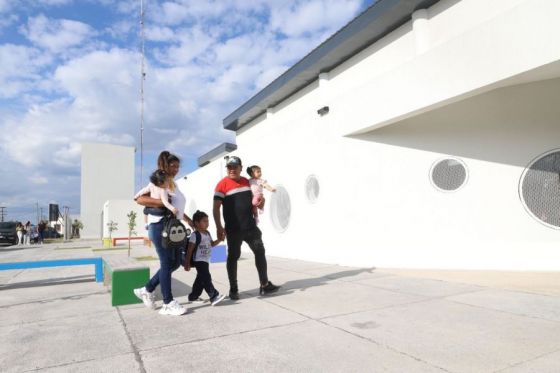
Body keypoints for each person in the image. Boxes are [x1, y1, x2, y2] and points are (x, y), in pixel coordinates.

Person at [133, 151, 194, 316]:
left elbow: (178, 206)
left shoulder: (173, 184)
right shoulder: (159, 182)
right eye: (173, 166)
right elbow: (139, 199)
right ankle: (168, 302)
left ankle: (147, 289)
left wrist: (187, 220)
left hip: (172, 226)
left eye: (178, 166)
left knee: (174, 263)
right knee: (167, 263)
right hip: (159, 226)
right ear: (165, 166)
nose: (176, 169)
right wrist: (163, 202)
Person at [213, 156, 280, 300]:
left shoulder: (247, 182)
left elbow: (256, 201)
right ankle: (234, 289)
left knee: (260, 251)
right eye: (229, 167)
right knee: (233, 257)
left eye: (235, 167)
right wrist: (219, 227)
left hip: (250, 228)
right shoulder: (221, 185)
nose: (232, 170)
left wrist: (261, 203)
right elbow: (216, 208)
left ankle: (264, 284)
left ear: (240, 168)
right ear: (227, 169)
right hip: (233, 230)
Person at [184, 210, 226, 306]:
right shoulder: (195, 235)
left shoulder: (207, 233)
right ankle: (213, 296)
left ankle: (193, 296)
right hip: (199, 260)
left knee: (200, 279)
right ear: (197, 223)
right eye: (204, 221)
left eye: (207, 221)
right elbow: (190, 250)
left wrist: (219, 240)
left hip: (206, 260)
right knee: (206, 277)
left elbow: (211, 244)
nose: (207, 223)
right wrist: (187, 263)